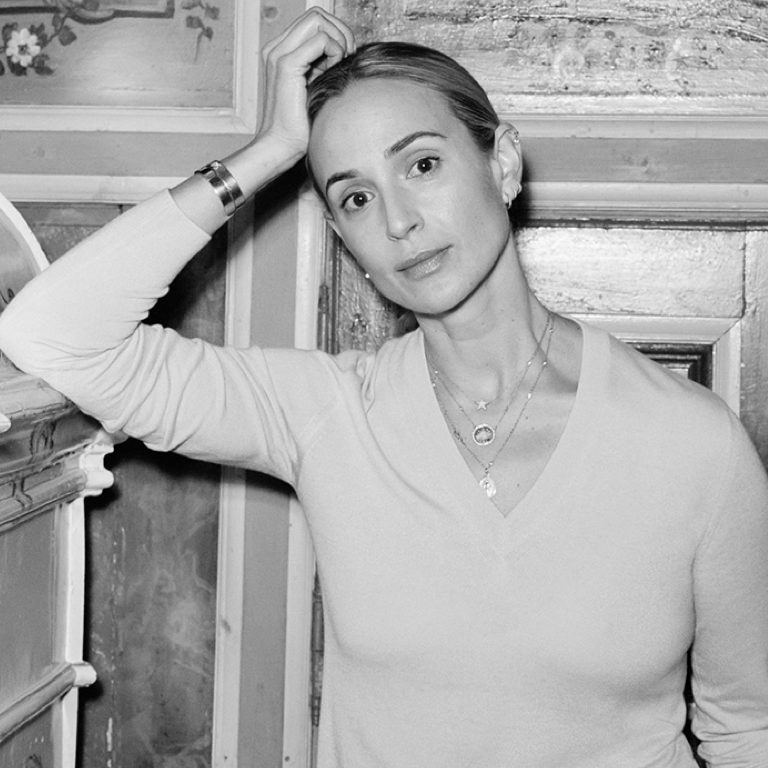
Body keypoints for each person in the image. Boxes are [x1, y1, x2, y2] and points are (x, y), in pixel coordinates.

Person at [1, 7, 767, 767]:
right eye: (356, 197)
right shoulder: (326, 414)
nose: (398, 221)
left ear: (502, 164)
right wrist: (268, 152)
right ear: (345, 239)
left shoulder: (692, 443)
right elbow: (53, 334)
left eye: (422, 165)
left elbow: (749, 733)